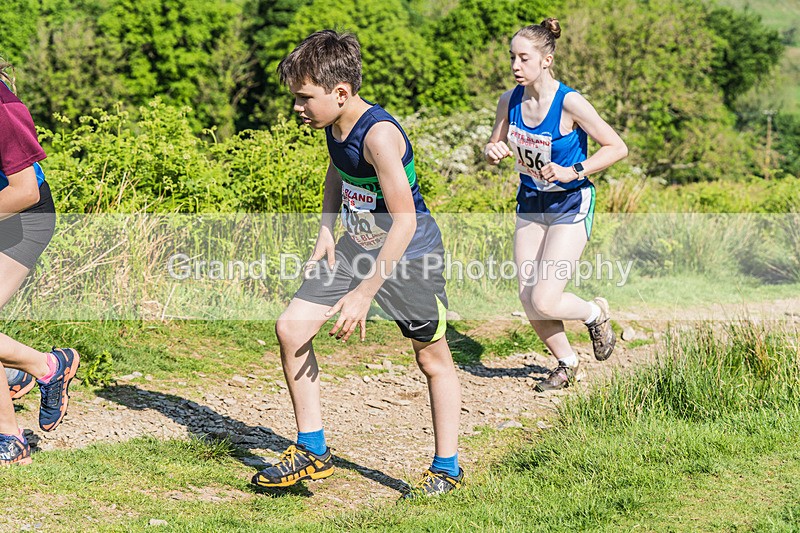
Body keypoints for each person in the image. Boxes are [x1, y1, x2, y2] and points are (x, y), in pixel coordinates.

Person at [250, 30, 463, 498]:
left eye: (305, 98)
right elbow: (338, 169)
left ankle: (446, 469)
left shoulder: (380, 135)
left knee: (431, 358)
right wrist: (327, 229)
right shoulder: (333, 124)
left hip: (409, 257)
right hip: (355, 246)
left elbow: (404, 223)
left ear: (340, 93)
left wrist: (364, 293)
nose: (298, 108)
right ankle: (312, 449)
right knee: (291, 328)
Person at [484, 19, 628, 391]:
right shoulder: (509, 100)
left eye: (524, 58)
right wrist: (493, 149)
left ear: (546, 60)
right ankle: (567, 363)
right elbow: (493, 145)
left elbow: (616, 147)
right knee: (528, 296)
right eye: (512, 58)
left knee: (545, 297)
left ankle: (595, 313)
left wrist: (572, 170)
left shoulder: (570, 102)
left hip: (570, 202)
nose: (516, 66)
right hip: (531, 202)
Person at [0, 58, 80, 466]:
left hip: (23, 219)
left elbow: (25, 192)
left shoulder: (4, 111)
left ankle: (12, 436)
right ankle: (17, 370)